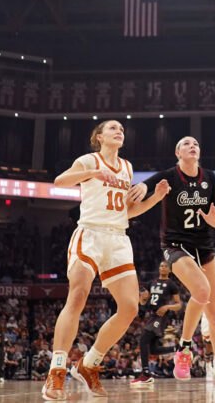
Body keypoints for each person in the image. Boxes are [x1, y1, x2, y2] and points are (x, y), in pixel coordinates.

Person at [42, 120, 169, 400]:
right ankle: (56, 371)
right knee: (77, 296)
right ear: (99, 137)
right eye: (112, 128)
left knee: (129, 308)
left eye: (121, 128)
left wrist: (157, 198)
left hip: (118, 239)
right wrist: (94, 171)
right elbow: (59, 181)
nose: (119, 130)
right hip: (90, 234)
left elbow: (128, 211)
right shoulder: (89, 160)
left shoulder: (127, 167)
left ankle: (89, 365)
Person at [134, 137, 215, 390]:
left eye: (197, 144)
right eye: (186, 144)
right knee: (202, 291)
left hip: (205, 247)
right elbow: (141, 191)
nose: (193, 146)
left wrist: (214, 221)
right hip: (175, 246)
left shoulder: (210, 177)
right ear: (177, 152)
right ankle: (184, 348)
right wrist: (134, 191)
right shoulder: (168, 176)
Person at [130, 261, 183, 389]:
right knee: (153, 349)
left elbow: (178, 305)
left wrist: (167, 307)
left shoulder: (171, 284)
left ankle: (146, 374)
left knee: (143, 340)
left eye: (165, 266)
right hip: (152, 315)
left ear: (170, 270)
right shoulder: (151, 283)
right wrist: (140, 298)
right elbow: (144, 300)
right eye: (161, 266)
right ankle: (178, 349)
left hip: (161, 316)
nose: (162, 267)